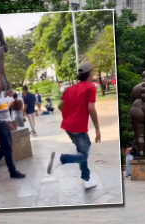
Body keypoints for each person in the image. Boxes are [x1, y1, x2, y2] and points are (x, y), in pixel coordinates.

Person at [46, 61, 101, 189]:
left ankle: (86, 179)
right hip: (78, 127)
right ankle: (61, 159)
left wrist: (69, 115)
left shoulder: (69, 89)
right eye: (92, 71)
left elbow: (60, 105)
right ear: (89, 74)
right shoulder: (90, 87)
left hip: (68, 126)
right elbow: (91, 108)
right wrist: (97, 128)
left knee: (81, 152)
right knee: (83, 155)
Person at [0, 72, 25, 179]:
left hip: (4, 124)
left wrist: (9, 122)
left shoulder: (0, 94)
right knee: (8, 149)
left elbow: (4, 110)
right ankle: (12, 171)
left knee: (6, 147)